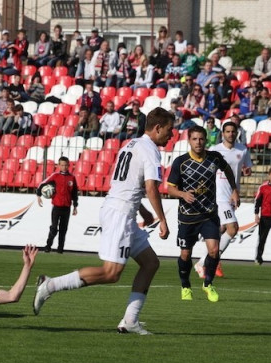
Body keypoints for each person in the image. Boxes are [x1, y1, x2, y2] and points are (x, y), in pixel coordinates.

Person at [33, 107, 173, 335]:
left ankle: (130, 320)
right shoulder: (151, 150)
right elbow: (151, 187)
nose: (172, 135)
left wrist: (144, 212)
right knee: (111, 273)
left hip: (121, 209)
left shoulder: (130, 145)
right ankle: (50, 285)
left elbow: (126, 185)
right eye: (169, 130)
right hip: (121, 215)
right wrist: (162, 220)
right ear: (157, 128)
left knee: (150, 263)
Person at [167, 126, 239, 302]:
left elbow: (228, 170)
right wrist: (183, 194)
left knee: (214, 250)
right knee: (186, 254)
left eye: (201, 139)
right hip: (187, 217)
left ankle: (208, 284)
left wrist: (234, 189)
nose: (198, 142)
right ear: (189, 141)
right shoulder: (180, 162)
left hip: (209, 214)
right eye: (194, 139)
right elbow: (170, 189)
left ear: (206, 140)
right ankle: (185, 287)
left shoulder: (214, 158)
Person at [193, 122, 252, 285]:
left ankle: (206, 261)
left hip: (232, 195)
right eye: (227, 131)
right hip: (218, 196)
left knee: (221, 230)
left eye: (233, 131)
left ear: (237, 133)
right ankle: (205, 262)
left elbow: (247, 168)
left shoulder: (242, 150)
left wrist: (246, 171)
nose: (230, 134)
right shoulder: (215, 150)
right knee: (233, 228)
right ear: (223, 133)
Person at [36, 157, 79, 254]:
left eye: (66, 165)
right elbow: (42, 184)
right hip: (56, 207)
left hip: (67, 208)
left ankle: (60, 249)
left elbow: (74, 193)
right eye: (62, 165)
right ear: (58, 166)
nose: (64, 167)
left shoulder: (72, 178)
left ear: (69, 165)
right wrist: (38, 195)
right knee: (54, 228)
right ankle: (48, 246)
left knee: (63, 229)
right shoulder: (55, 176)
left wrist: (75, 206)